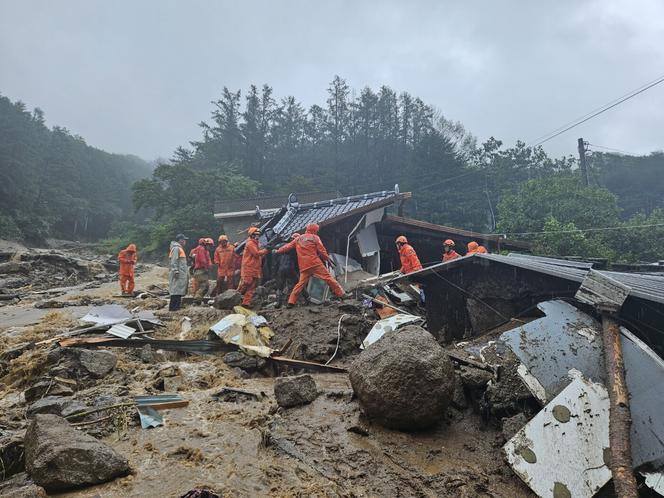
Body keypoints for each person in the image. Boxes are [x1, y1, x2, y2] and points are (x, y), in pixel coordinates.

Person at [276, 224, 346, 307]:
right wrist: (328, 260)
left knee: (300, 284)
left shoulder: (298, 239)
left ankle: (291, 302)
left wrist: (277, 251)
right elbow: (322, 251)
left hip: (304, 266)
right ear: (315, 230)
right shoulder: (315, 237)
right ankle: (342, 294)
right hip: (315, 264)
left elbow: (287, 247)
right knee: (328, 278)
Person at [237, 227, 269, 307]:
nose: (257, 236)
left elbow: (260, 254)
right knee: (246, 283)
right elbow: (256, 253)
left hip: (255, 268)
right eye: (256, 234)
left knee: (251, 287)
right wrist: (266, 250)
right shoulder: (250, 243)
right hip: (248, 267)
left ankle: (246, 303)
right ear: (252, 235)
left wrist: (265, 249)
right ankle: (235, 298)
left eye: (258, 234)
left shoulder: (257, 244)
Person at [168, 233, 189, 311]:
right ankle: (174, 308)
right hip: (178, 273)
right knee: (176, 291)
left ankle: (176, 308)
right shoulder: (176, 248)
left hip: (180, 273)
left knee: (178, 291)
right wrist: (175, 271)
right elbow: (174, 261)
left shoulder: (178, 248)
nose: (185, 242)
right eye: (184, 240)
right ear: (180, 240)